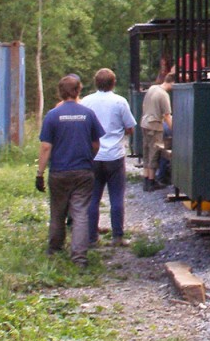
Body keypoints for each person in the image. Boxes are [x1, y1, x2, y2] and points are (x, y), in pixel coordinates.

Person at [36, 74, 103, 267]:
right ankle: (79, 258)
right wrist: (88, 157)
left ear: (60, 92)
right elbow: (96, 144)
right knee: (81, 213)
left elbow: (46, 147)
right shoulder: (88, 114)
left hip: (59, 171)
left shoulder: (52, 115)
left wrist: (39, 174)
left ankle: (55, 250)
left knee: (58, 211)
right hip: (83, 171)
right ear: (78, 90)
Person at [81, 69, 137, 247]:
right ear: (113, 83)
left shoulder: (86, 101)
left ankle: (91, 238)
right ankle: (117, 237)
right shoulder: (120, 102)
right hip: (114, 155)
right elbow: (130, 127)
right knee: (116, 197)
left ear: (95, 82)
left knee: (93, 198)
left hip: (93, 156)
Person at [140, 73, 174, 191]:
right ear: (172, 82)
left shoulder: (153, 88)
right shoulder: (164, 95)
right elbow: (167, 116)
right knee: (154, 154)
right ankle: (151, 182)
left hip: (144, 123)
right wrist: (174, 130)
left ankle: (145, 180)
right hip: (155, 126)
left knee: (146, 152)